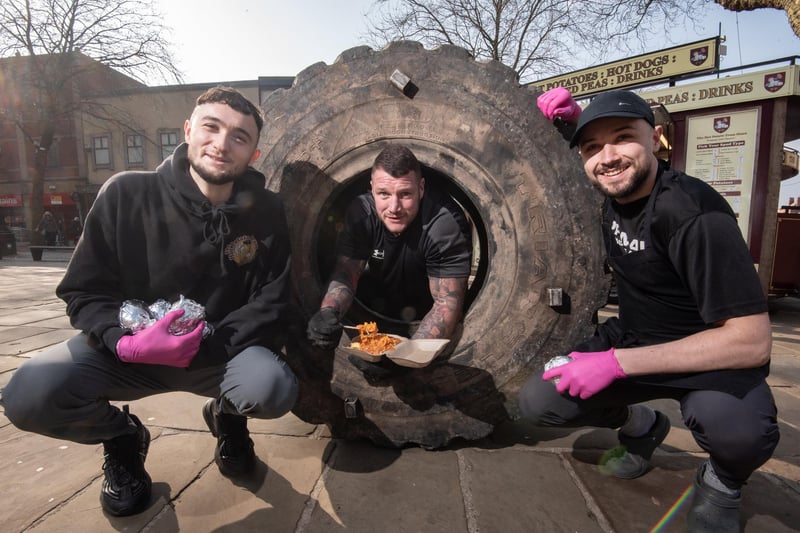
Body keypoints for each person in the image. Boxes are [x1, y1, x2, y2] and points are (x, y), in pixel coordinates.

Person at [4, 86, 298, 517]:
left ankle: (228, 417)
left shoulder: (268, 211)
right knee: (28, 394)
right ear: (187, 131)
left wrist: (209, 343)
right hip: (127, 354)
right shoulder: (125, 194)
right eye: (211, 127)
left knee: (272, 388)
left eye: (239, 136)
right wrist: (122, 341)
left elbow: (272, 299)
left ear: (253, 154)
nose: (221, 144)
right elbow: (83, 292)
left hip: (219, 355)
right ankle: (122, 438)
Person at [520, 88, 779, 532]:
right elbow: (602, 161)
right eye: (592, 148)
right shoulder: (610, 191)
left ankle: (722, 482)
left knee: (740, 432)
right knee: (538, 400)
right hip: (637, 335)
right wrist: (572, 123)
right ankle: (643, 424)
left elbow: (751, 341)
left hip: (708, 356)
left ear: (657, 138)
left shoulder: (694, 215)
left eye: (624, 137)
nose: (608, 156)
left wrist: (617, 364)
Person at [306, 144, 472, 351]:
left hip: (422, 312)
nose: (394, 208)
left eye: (405, 194)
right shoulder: (361, 213)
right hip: (375, 304)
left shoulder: (442, 224)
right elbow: (347, 273)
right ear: (372, 188)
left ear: (421, 189)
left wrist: (405, 357)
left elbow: (447, 303)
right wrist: (328, 311)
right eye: (383, 193)